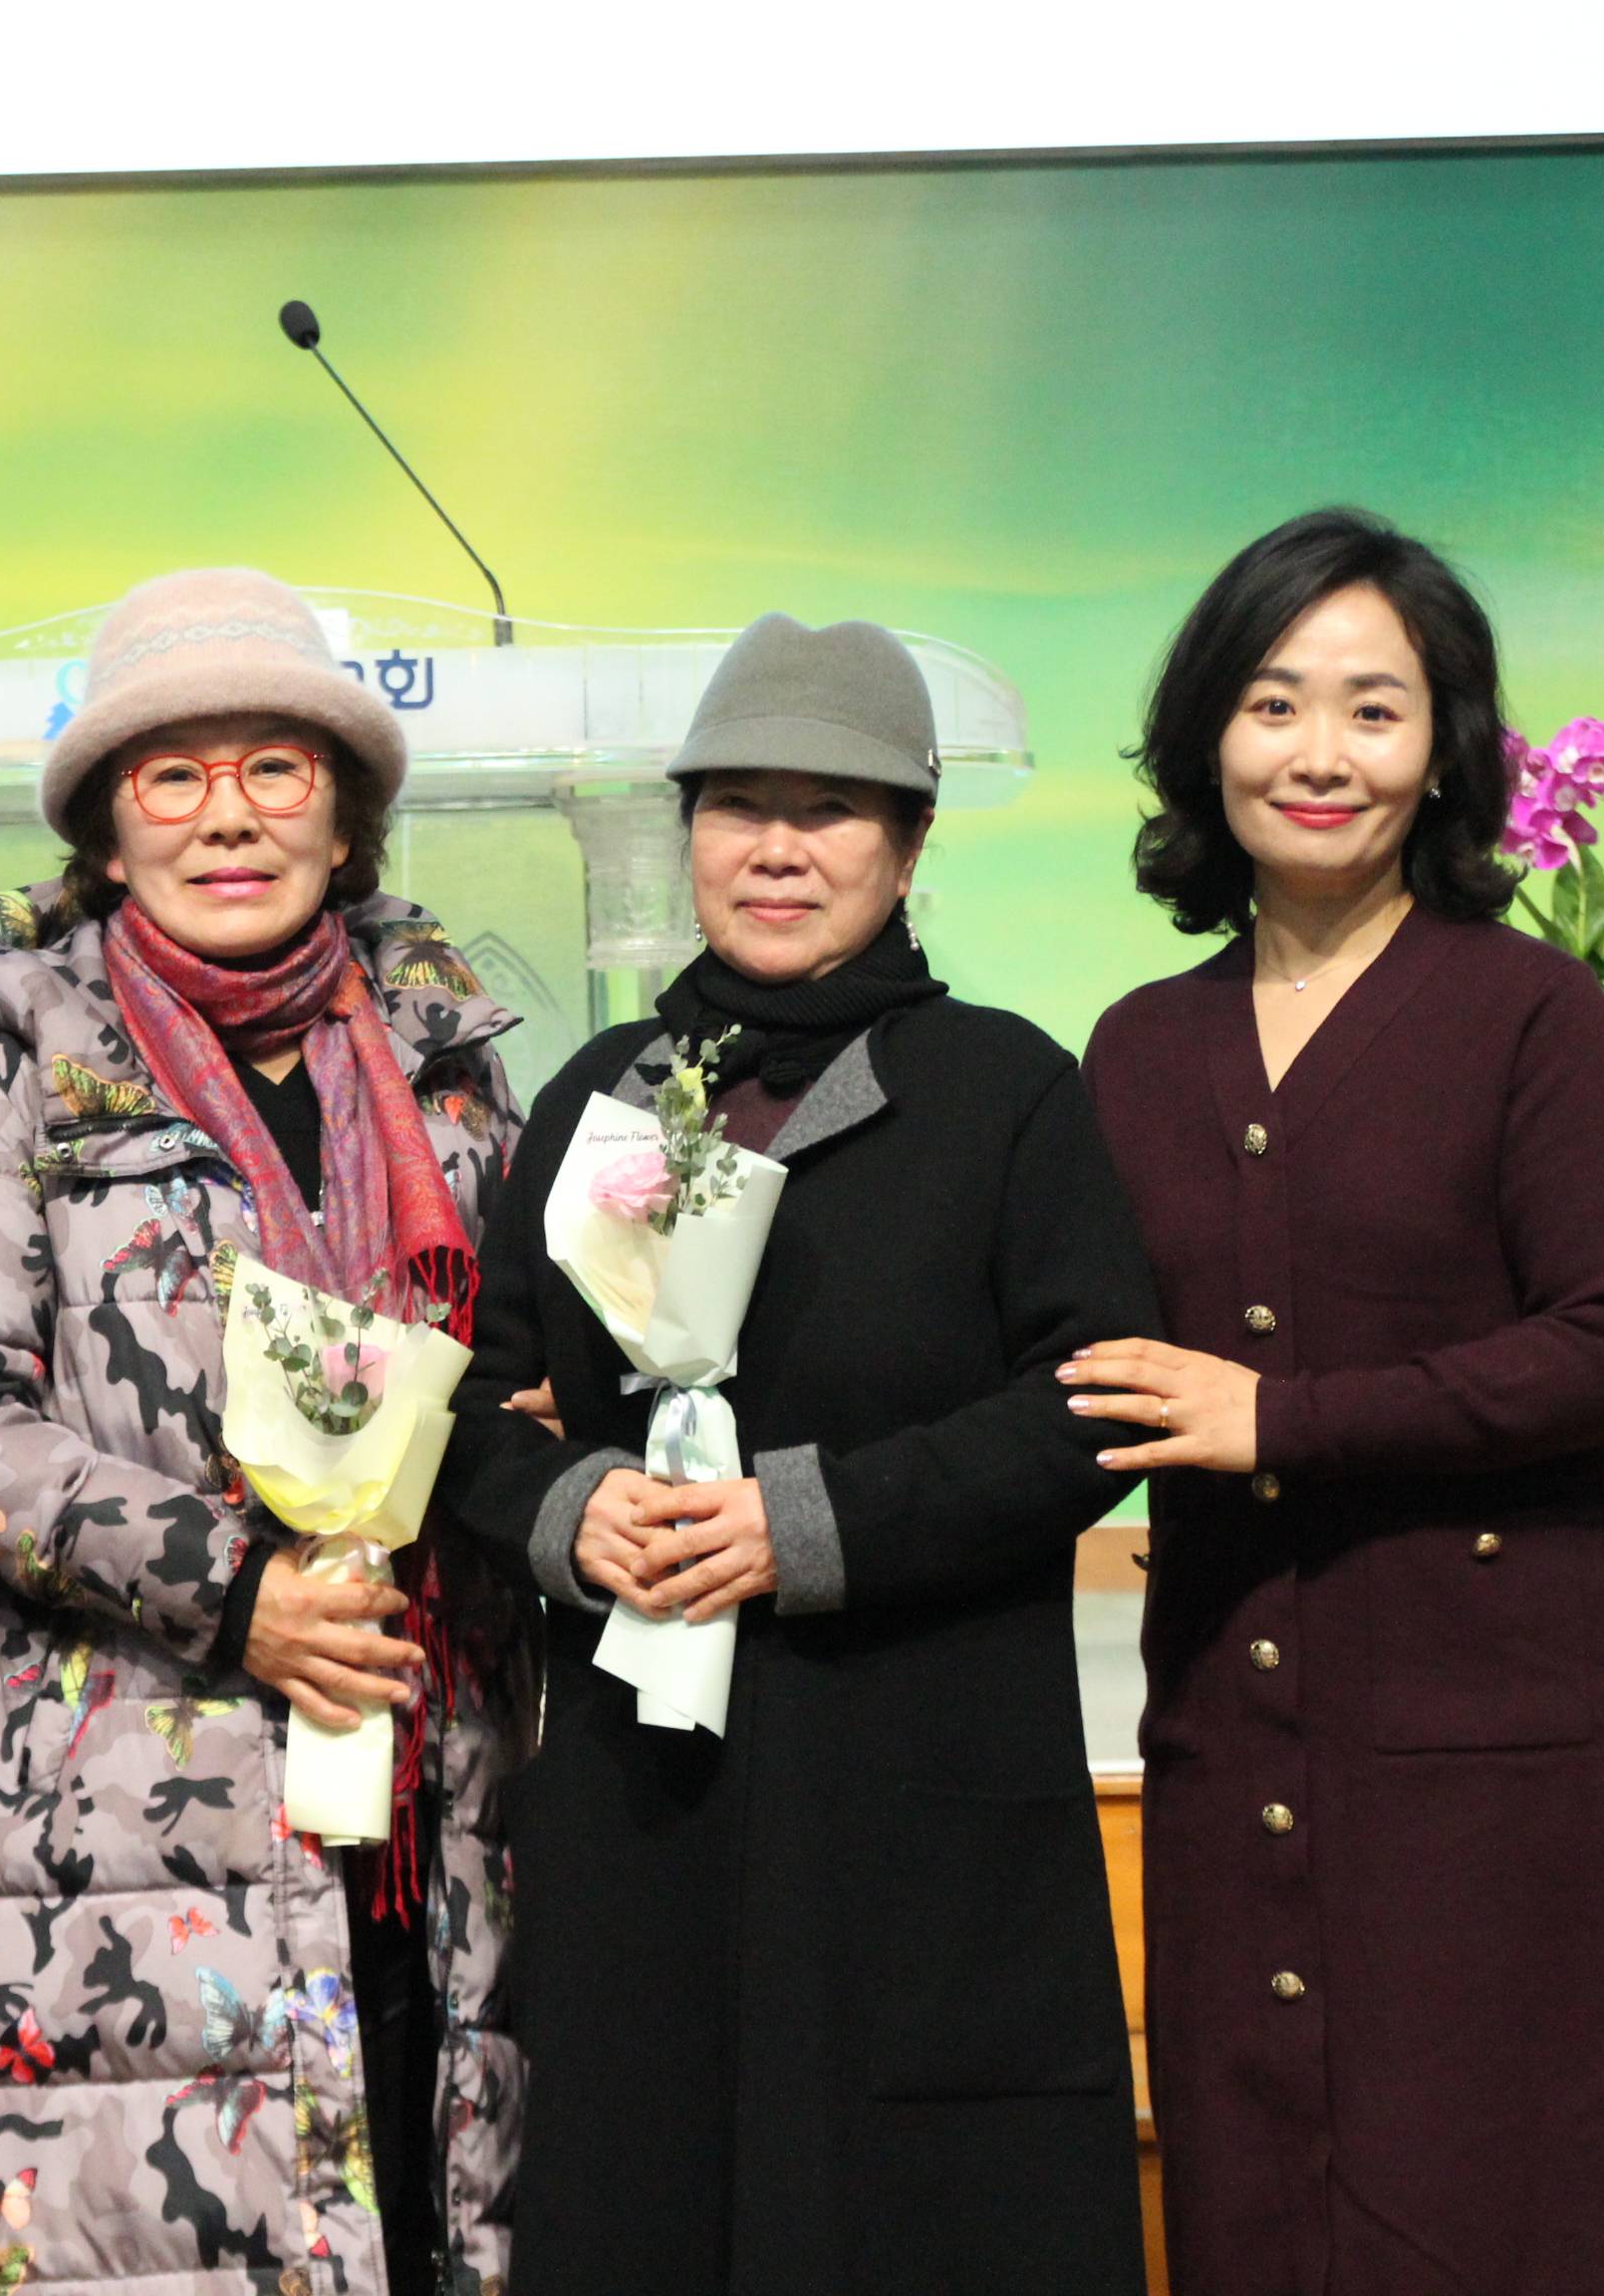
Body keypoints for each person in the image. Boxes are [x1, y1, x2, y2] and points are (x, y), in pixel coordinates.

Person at [439, 614, 1163, 2296]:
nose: (777, 848)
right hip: (646, 1800)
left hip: (909, 1781)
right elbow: (472, 1399)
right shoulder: (606, 1094)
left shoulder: (1005, 1091)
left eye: (830, 809)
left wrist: (810, 1522)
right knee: (651, 2200)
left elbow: (1090, 1407)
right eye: (737, 805)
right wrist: (567, 1510)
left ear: (909, 844)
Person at [0, 568, 530, 2296]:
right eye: (173, 774)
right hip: (130, 1826)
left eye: (275, 768)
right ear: (106, 829)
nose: (227, 817)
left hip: (427, 1793)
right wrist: (242, 1594)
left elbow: (499, 1369)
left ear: (345, 815)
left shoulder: (450, 1070)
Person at [1074, 507, 1604, 2294]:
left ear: (1443, 751)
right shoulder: (1140, 1045)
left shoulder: (1532, 1016)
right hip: (1235, 1742)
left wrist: (1284, 1420)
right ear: (1209, 737)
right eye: (1275, 704)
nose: (1321, 754)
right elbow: (1067, 1357)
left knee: (1497, 2207)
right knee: (1255, 2208)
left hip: (1492, 1771)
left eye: (1375, 709)